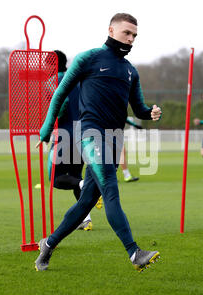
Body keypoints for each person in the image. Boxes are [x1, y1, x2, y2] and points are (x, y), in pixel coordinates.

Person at [35, 13, 162, 272]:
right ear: (111, 30)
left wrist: (150, 112)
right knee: (111, 191)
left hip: (115, 140)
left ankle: (48, 245)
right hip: (90, 135)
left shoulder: (130, 71)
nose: (131, 39)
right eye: (127, 33)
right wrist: (46, 130)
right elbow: (59, 94)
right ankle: (134, 252)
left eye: (135, 35)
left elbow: (138, 108)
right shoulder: (89, 58)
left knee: (86, 202)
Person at [47, 50, 101, 232]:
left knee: (56, 179)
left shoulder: (53, 82)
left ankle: (87, 186)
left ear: (51, 65)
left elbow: (60, 108)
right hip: (83, 132)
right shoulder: (77, 80)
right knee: (75, 177)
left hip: (65, 133)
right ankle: (86, 219)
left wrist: (48, 128)